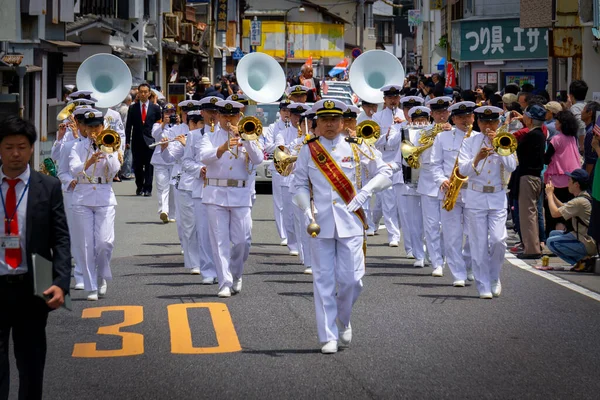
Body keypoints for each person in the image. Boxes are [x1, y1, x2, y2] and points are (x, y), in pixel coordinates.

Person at [292, 99, 392, 354]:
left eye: (334, 119)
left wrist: (366, 192)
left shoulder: (357, 147)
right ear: (317, 123)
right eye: (324, 120)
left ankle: (343, 319)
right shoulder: (309, 149)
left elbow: (385, 172)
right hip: (320, 224)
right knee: (323, 280)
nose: (329, 124)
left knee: (353, 280)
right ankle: (328, 336)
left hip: (351, 221)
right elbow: (300, 183)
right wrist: (306, 209)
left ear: (342, 121)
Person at [0, 116, 71, 400]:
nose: (15, 153)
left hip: (33, 285)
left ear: (31, 149)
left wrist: (61, 282)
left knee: (31, 366)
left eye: (21, 146)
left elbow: (61, 238)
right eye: (8, 147)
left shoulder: (48, 186)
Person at [199, 99, 264, 298]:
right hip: (215, 194)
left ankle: (236, 274)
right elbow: (203, 156)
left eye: (233, 116)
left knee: (242, 241)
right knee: (219, 241)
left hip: (241, 195)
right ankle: (224, 282)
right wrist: (222, 148)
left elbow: (258, 159)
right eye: (225, 116)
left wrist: (245, 139)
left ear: (239, 116)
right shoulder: (209, 137)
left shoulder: (249, 135)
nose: (229, 120)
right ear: (217, 117)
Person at [458, 106, 517, 299]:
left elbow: (512, 166)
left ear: (498, 123)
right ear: (478, 122)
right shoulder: (470, 142)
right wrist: (478, 158)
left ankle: (494, 277)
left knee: (499, 240)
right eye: (485, 122)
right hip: (476, 197)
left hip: (498, 196)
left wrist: (499, 149)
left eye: (492, 122)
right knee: (478, 243)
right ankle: (483, 283)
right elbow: (463, 171)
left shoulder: (505, 140)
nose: (489, 126)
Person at [69, 110, 122, 301]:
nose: (93, 131)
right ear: (84, 128)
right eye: (90, 127)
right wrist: (89, 160)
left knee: (104, 243)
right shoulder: (77, 147)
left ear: (102, 128)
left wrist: (106, 152)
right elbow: (73, 169)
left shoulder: (111, 143)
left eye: (97, 127)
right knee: (85, 245)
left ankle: (101, 277)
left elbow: (116, 169)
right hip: (82, 197)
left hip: (105, 196)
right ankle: (90, 286)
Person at [431, 101, 477, 285]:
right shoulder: (442, 138)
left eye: (468, 116)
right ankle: (458, 273)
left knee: (475, 234)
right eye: (460, 117)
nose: (465, 120)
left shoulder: (479, 137)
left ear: (473, 117)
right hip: (450, 191)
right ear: (454, 118)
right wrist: (441, 180)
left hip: (473, 192)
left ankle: (468, 264)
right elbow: (435, 164)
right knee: (452, 235)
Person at [418, 96, 453, 276]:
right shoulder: (423, 132)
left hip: (448, 185)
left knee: (446, 226)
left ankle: (445, 257)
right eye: (438, 112)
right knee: (431, 225)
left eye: (444, 112)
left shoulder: (455, 132)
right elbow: (417, 157)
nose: (441, 116)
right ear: (431, 114)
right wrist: (435, 136)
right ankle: (436, 263)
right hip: (428, 184)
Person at [182, 109, 217, 283]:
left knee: (219, 232)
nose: (212, 116)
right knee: (203, 231)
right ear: (203, 113)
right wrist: (198, 169)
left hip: (221, 188)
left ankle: (222, 268)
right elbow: (186, 161)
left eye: (215, 112)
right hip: (200, 187)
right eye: (209, 112)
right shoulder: (194, 135)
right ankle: (208, 271)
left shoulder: (224, 134)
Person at [372, 85, 406, 247]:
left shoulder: (405, 115)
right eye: (390, 98)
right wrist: (386, 136)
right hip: (385, 159)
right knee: (388, 200)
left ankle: (395, 228)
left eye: (395, 97)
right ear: (384, 100)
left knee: (401, 201)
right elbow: (373, 141)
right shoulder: (377, 117)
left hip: (403, 161)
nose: (393, 100)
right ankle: (393, 235)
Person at [546, 169, 597, 270]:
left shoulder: (580, 201)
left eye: (570, 180)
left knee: (551, 242)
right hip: (585, 237)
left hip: (588, 242)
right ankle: (583, 261)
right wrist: (552, 195)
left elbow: (555, 213)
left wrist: (549, 195)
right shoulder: (583, 197)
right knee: (553, 234)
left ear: (576, 184)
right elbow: (563, 208)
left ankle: (584, 261)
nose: (568, 183)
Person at [516, 104, 547, 259]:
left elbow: (519, 154)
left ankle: (531, 249)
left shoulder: (531, 135)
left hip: (528, 177)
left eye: (525, 115)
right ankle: (533, 246)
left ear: (530, 118)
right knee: (534, 212)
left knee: (527, 213)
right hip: (536, 177)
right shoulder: (540, 134)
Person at [544, 110, 581, 236]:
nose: (555, 123)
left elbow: (546, 158)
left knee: (551, 211)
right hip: (572, 178)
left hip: (557, 178)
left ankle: (552, 236)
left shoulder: (556, 139)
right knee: (568, 210)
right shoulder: (573, 138)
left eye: (557, 121)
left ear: (562, 124)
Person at [262, 100, 292, 246]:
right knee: (279, 202)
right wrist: (283, 147)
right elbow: (267, 147)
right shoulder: (273, 127)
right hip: (279, 167)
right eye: (284, 110)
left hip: (295, 167)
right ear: (280, 112)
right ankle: (283, 234)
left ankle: (294, 232)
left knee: (293, 201)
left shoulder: (297, 127)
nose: (287, 113)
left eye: (289, 111)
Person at [125, 83, 162, 196]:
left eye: (145, 92)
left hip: (150, 142)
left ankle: (148, 188)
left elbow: (159, 124)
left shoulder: (155, 108)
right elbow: (128, 125)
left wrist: (159, 140)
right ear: (138, 93)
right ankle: (139, 186)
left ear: (149, 93)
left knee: (149, 167)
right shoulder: (133, 108)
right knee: (138, 166)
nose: (143, 94)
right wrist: (127, 141)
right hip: (136, 141)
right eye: (141, 92)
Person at [151, 103, 181, 223]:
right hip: (160, 160)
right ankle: (164, 210)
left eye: (171, 112)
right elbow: (155, 135)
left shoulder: (179, 126)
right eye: (167, 112)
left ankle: (173, 214)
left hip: (174, 160)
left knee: (173, 188)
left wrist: (178, 123)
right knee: (162, 186)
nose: (169, 114)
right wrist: (163, 123)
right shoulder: (157, 125)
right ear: (163, 114)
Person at [567, 79, 588, 151]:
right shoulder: (587, 105)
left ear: (571, 96)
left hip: (580, 147)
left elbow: (581, 126)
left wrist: (582, 146)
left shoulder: (574, 108)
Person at [581, 101, 600, 175]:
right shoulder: (591, 130)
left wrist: (586, 178)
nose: (581, 112)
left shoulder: (591, 133)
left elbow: (590, 160)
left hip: (592, 175)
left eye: (583, 109)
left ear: (590, 113)